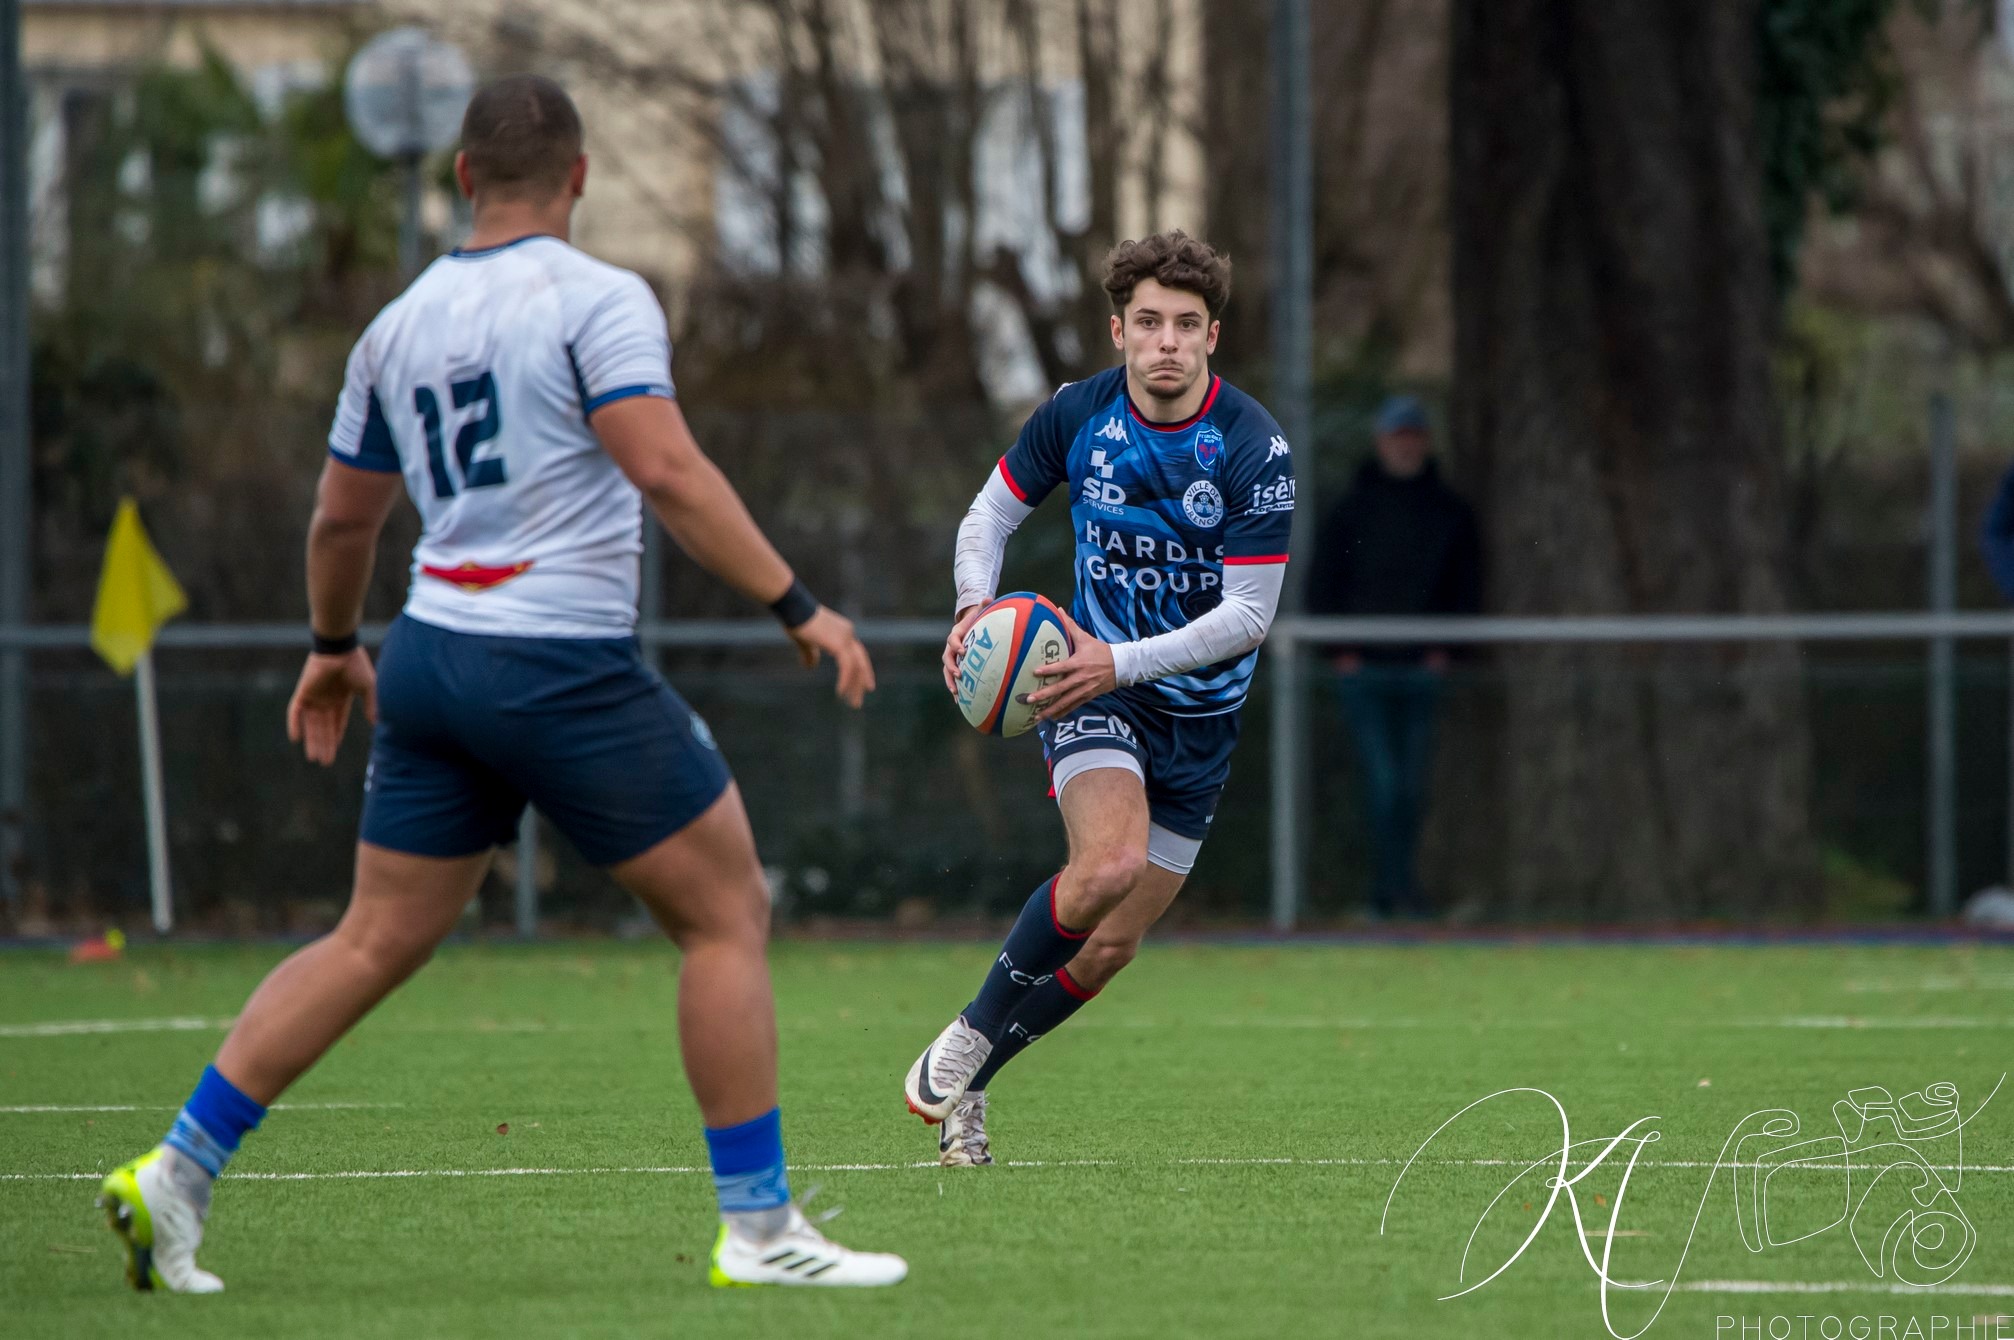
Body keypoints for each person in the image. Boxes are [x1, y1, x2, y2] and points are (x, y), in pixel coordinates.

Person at [95, 76, 906, 1292]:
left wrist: (331, 647)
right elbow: (667, 469)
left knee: (370, 936)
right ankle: (760, 1227)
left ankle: (178, 1173)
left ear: (463, 177)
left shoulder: (395, 325)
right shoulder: (596, 297)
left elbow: (340, 519)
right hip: (556, 660)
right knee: (726, 914)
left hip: (427, 658)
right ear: (576, 178)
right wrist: (797, 603)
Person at [903, 231, 1294, 1167]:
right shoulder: (1078, 416)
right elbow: (989, 514)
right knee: (1108, 862)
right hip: (1085, 688)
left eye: (1187, 326)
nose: (1167, 342)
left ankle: (974, 1082)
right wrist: (972, 606)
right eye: (1149, 323)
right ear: (1119, 330)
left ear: (1212, 340)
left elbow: (1248, 616)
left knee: (1110, 947)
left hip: (1192, 718)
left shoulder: (1252, 446)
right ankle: (969, 1029)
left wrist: (1120, 661)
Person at [1305, 395, 1480, 919]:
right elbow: (1324, 584)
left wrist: (1447, 650)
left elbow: (1466, 586)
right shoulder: (1350, 508)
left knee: (1411, 787)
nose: (1405, 446)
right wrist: (1341, 651)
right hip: (1365, 671)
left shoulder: (1450, 511)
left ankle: (1403, 891)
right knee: (1383, 785)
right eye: (1396, 436)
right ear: (1381, 442)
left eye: (1413, 436)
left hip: (1423, 671)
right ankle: (1385, 893)